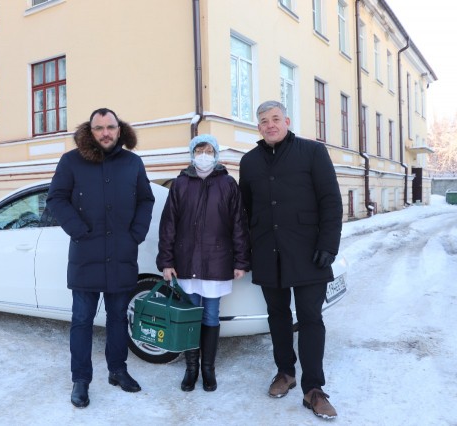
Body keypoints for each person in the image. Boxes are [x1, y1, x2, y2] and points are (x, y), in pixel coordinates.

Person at [238, 101, 343, 419]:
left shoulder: (312, 152)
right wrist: (245, 253)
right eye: (263, 121)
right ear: (258, 127)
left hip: (309, 253)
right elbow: (244, 211)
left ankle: (313, 389)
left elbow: (331, 200)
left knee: (311, 318)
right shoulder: (250, 161)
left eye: (275, 119)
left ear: (286, 120)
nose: (269, 125)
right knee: (277, 316)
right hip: (268, 253)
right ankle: (285, 372)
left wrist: (328, 245)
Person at [46, 107, 155, 409]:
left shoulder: (132, 163)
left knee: (119, 318)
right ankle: (81, 379)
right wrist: (78, 230)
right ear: (90, 131)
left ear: (119, 130)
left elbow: (146, 198)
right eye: (99, 128)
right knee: (82, 320)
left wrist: (137, 233)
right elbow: (55, 197)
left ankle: (118, 371)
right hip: (86, 255)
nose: (105, 132)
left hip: (122, 254)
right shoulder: (72, 161)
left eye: (110, 127)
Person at [156, 134, 251, 392]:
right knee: (189, 317)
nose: (204, 155)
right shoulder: (180, 184)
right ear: (192, 154)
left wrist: (241, 260)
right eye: (200, 150)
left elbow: (239, 225)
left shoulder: (228, 184)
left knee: (210, 315)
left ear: (216, 155)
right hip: (186, 263)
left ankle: (208, 370)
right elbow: (168, 225)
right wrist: (166, 261)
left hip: (217, 262)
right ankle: (191, 369)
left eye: (209, 151)